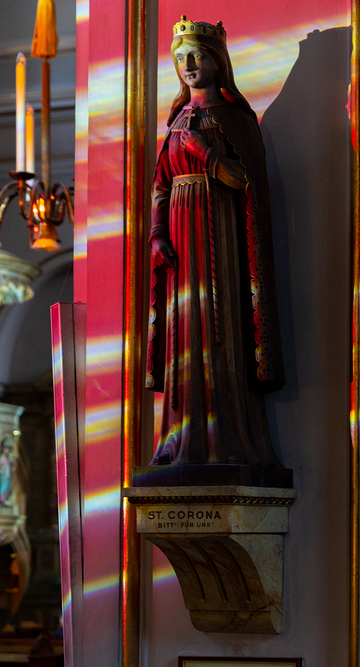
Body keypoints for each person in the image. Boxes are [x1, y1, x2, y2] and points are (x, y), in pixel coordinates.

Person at [146, 17, 283, 466]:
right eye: (181, 58)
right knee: (183, 328)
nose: (188, 65)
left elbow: (244, 180)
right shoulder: (176, 121)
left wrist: (205, 152)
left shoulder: (235, 119)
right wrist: (157, 233)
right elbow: (160, 186)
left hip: (218, 236)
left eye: (197, 56)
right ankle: (179, 440)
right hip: (180, 241)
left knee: (217, 327)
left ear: (217, 62)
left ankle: (223, 437)